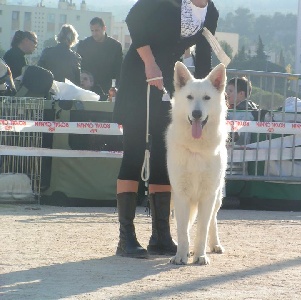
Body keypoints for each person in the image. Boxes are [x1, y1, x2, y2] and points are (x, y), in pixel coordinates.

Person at [112, 0, 219, 258]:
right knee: (134, 154)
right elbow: (133, 19)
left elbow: (203, 57)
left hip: (167, 89)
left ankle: (161, 235)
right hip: (138, 77)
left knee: (163, 157)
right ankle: (126, 237)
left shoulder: (210, 12)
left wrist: (203, 96)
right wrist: (149, 62)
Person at [76, 17, 123, 93]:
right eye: (92, 31)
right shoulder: (84, 45)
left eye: (97, 30)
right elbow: (79, 68)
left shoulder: (115, 46)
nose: (94, 34)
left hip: (108, 89)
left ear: (104, 28)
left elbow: (119, 71)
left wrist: (116, 88)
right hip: (88, 90)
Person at [225, 77, 259, 145]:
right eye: (227, 91)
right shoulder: (229, 108)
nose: (227, 94)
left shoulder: (247, 111)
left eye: (230, 91)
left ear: (241, 94)